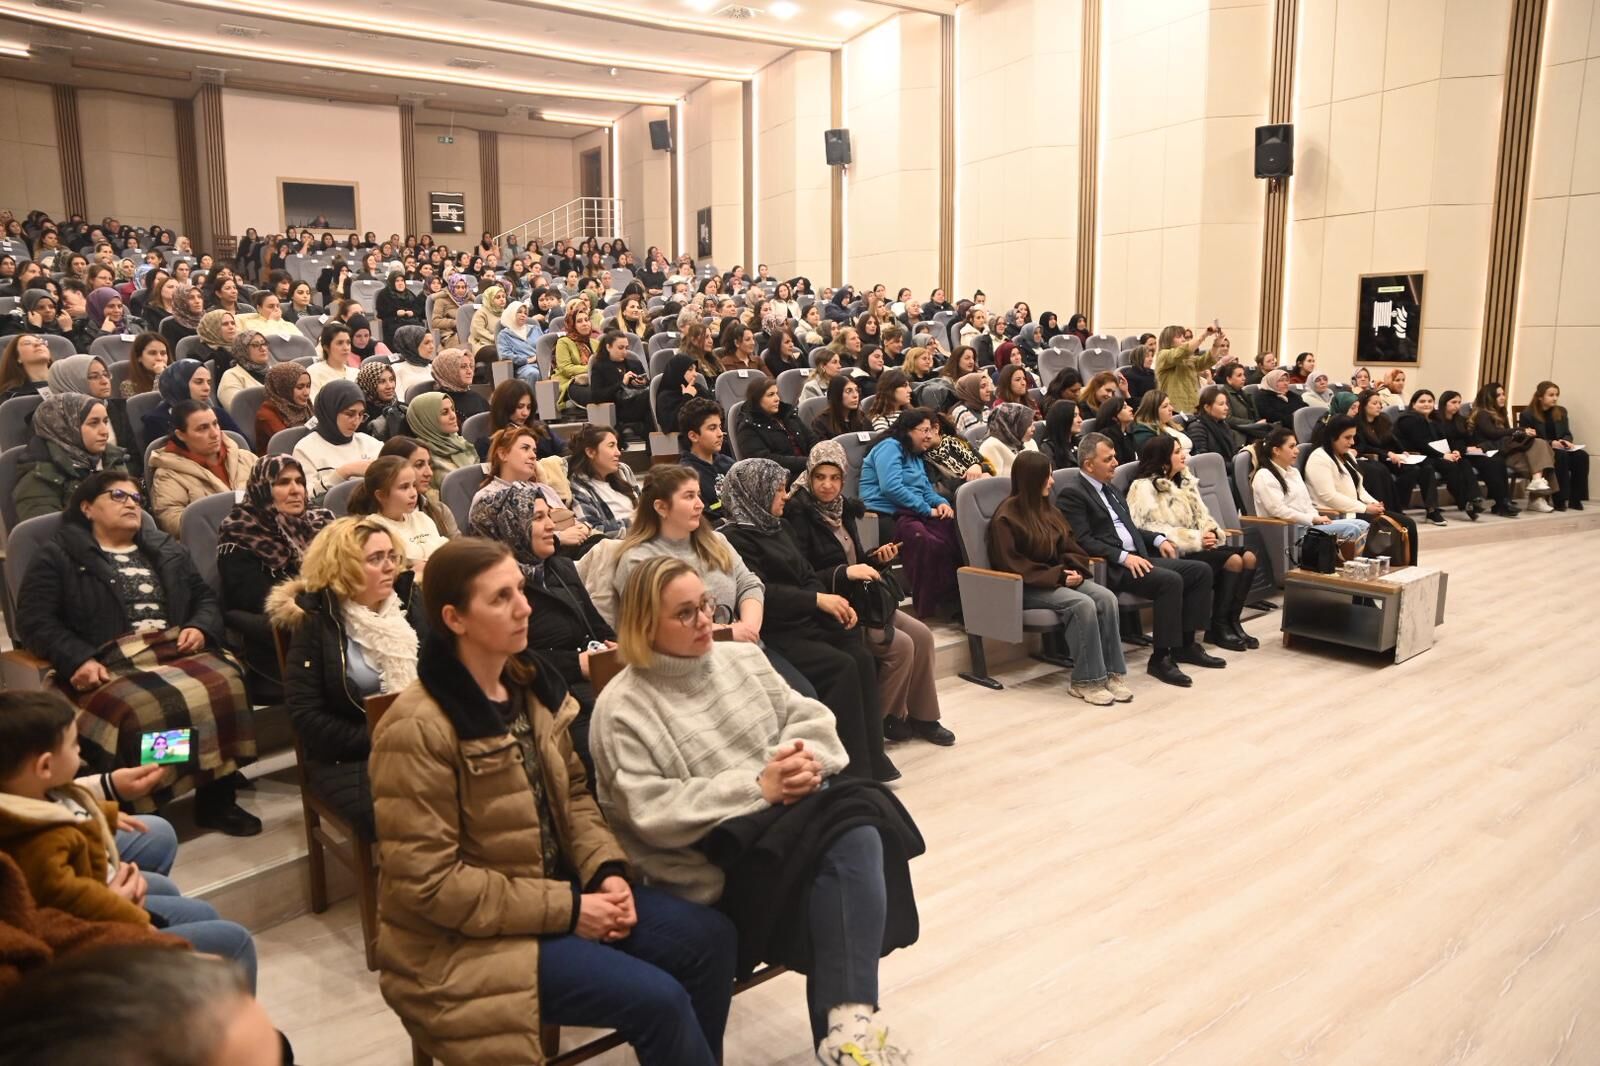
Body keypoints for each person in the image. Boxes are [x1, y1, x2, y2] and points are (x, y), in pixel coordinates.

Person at [370, 537, 738, 1065]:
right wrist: (569, 911)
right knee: (659, 1000)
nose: (525, 607)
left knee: (711, 939)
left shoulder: (530, 687)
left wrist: (605, 873)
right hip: (465, 939)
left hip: (557, 894)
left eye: (520, 590)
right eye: (501, 599)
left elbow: (577, 798)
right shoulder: (416, 728)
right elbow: (430, 886)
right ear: (454, 618)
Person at [591, 556, 921, 1065]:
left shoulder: (740, 659)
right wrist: (759, 787)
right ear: (642, 624)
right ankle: (850, 1025)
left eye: (705, 604)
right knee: (855, 820)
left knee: (853, 823)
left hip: (789, 826)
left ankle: (848, 1031)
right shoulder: (623, 707)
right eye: (685, 613)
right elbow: (650, 813)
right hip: (712, 858)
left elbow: (812, 718)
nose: (705, 620)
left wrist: (795, 764)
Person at [16, 471, 259, 833]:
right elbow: (34, 621)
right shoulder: (59, 556)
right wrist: (78, 659)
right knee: (145, 707)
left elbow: (204, 598)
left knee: (228, 679)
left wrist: (199, 626)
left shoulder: (163, 547)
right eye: (118, 496)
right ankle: (151, 796)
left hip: (172, 647)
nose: (131, 502)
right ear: (87, 507)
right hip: (108, 660)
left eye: (134, 497)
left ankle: (216, 798)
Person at [0, 692, 258, 987]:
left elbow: (70, 800)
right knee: (233, 941)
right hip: (93, 921)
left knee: (168, 868)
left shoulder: (32, 792)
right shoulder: (39, 840)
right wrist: (133, 919)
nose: (81, 751)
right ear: (44, 767)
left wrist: (107, 803)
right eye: (73, 745)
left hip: (100, 887)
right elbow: (70, 895)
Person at [718, 458, 898, 782]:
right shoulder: (735, 539)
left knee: (860, 655)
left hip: (807, 619)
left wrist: (830, 602)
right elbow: (764, 593)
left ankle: (871, 759)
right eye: (778, 490)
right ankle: (847, 771)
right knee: (839, 667)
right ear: (756, 494)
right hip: (777, 628)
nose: (786, 496)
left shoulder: (780, 527)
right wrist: (817, 600)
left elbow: (807, 575)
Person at [784, 441, 950, 745]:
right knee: (899, 645)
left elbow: (856, 560)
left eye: (834, 478)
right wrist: (845, 573)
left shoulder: (843, 510)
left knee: (923, 635)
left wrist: (875, 559)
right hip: (833, 606)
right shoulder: (797, 515)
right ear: (809, 476)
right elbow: (803, 577)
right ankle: (877, 723)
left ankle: (924, 717)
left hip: (863, 598)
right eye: (820, 477)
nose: (827, 485)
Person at [271, 516, 422, 839]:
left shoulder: (409, 605)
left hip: (424, 741)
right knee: (419, 803)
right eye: (374, 559)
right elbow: (306, 717)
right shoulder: (317, 624)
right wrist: (381, 737)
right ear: (342, 567)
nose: (389, 567)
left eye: (391, 556)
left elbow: (445, 676)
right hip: (351, 757)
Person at [465, 485, 614, 774]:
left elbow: (598, 627)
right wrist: (576, 665)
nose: (550, 526)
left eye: (549, 516)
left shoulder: (559, 566)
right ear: (508, 525)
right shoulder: (489, 589)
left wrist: (616, 648)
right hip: (546, 700)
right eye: (537, 518)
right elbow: (506, 661)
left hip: (596, 684)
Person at [1058, 433, 1222, 688]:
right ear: (1089, 464)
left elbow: (1130, 529)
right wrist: (1123, 557)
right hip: (1114, 566)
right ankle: (1160, 658)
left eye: (1114, 457)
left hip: (1139, 557)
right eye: (1108, 458)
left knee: (1200, 571)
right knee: (1170, 581)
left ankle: (1186, 644)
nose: (1116, 462)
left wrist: (1157, 539)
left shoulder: (1110, 489)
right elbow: (1083, 540)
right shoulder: (1073, 494)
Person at [986, 450, 1132, 705]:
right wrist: (1059, 576)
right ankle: (1086, 681)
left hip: (1058, 579)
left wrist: (1073, 570)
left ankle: (1112, 673)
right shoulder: (1006, 517)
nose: (1052, 482)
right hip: (1027, 586)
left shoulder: (1049, 510)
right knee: (1082, 604)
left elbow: (1071, 547)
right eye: (1047, 476)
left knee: (1106, 597)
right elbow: (1012, 565)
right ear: (1032, 479)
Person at [1126, 435, 1258, 652]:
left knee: (1250, 557)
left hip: (1199, 546)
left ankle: (1232, 621)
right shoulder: (1143, 487)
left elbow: (1202, 515)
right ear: (1162, 459)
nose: (1183, 456)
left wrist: (1211, 532)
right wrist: (1195, 539)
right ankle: (1218, 626)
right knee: (1234, 560)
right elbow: (1144, 528)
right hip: (1175, 551)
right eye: (1177, 452)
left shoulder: (1185, 480)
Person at [217, 455, 334, 696]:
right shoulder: (240, 532)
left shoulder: (321, 521)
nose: (295, 490)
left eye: (299, 481)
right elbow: (261, 603)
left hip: (334, 622)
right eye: (283, 483)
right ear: (262, 488)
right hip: (283, 641)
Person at [859, 409, 962, 617]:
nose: (929, 436)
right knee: (925, 540)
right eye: (924, 430)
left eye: (931, 430)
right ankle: (931, 604)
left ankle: (955, 600)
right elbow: (891, 487)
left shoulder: (915, 454)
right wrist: (927, 510)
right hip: (885, 513)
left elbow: (924, 489)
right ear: (907, 430)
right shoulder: (889, 447)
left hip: (912, 511)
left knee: (954, 532)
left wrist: (941, 503)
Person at [1305, 415, 1420, 565]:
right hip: (1337, 514)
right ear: (1333, 437)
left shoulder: (1346, 456)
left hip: (1356, 509)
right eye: (1347, 437)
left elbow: (1360, 489)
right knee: (1391, 528)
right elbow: (1328, 497)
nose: (1352, 442)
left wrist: (1374, 503)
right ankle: (1392, 569)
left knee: (1408, 523)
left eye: (1353, 437)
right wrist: (1365, 508)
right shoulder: (1319, 458)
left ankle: (1409, 567)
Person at [1248, 427, 1370, 556]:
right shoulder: (1264, 476)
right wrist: (1313, 518)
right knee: (1352, 529)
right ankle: (1351, 569)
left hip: (1309, 525)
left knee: (1363, 524)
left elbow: (1306, 503)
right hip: (1290, 530)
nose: (1297, 450)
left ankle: (1355, 564)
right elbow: (1278, 511)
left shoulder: (1293, 472)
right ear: (1276, 450)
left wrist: (1317, 518)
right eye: (1291, 446)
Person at [148, 400, 258, 537]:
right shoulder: (168, 474)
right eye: (202, 428)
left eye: (215, 424)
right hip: (214, 546)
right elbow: (174, 524)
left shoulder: (246, 458)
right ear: (181, 435)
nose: (214, 433)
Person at [13, 393, 129, 522]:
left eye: (105, 422)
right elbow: (49, 535)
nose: (104, 431)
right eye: (94, 423)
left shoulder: (112, 458)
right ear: (65, 428)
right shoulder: (39, 477)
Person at [1354, 388, 1443, 524]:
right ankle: (1397, 508)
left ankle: (1432, 510)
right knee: (1409, 472)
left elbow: (1393, 440)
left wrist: (1403, 451)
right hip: (1376, 459)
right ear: (1364, 405)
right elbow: (1365, 447)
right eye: (1374, 403)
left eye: (1380, 403)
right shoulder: (1357, 423)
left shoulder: (1383, 419)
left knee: (1425, 468)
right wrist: (1388, 454)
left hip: (1392, 456)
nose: (1379, 406)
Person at [1394, 390, 1485, 521]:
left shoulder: (1434, 419)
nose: (1427, 404)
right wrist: (1443, 455)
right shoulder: (1408, 419)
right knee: (1434, 467)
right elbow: (1421, 444)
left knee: (1462, 462)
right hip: (1415, 456)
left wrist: (1453, 451)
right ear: (1413, 404)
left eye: (1430, 401)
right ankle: (1435, 510)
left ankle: (1472, 500)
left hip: (1432, 454)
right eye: (1422, 401)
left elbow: (1446, 440)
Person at [1468, 381, 1557, 511]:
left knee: (1542, 452)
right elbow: (1493, 433)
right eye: (1498, 395)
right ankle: (1537, 498)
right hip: (1493, 452)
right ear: (1489, 397)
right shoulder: (1482, 414)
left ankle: (1538, 494)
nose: (1503, 397)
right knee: (1542, 461)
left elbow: (1507, 436)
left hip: (1507, 450)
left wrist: (1519, 432)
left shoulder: (1502, 413)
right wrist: (1520, 430)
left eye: (1503, 394)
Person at [347, 455, 450, 563]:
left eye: (414, 485)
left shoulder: (422, 518)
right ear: (381, 495)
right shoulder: (373, 529)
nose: (413, 494)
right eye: (404, 487)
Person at [1433, 390, 1518, 517]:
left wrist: (1473, 448)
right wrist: (1456, 451)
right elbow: (1438, 441)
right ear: (1444, 403)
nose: (1457, 406)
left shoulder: (1461, 420)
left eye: (1459, 402)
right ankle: (1474, 500)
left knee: (1496, 461)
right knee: (1464, 465)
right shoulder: (1435, 421)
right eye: (1453, 402)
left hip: (1464, 452)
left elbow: (1468, 440)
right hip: (1446, 454)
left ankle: (1502, 502)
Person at [293, 379, 380, 498]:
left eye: (361, 415)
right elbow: (306, 498)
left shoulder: (370, 443)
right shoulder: (305, 449)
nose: (356, 421)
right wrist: (343, 472)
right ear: (331, 412)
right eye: (350, 414)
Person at [1520, 380, 1587, 510]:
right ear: (1540, 397)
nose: (1555, 398)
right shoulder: (1527, 414)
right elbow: (1529, 438)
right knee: (1561, 456)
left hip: (1560, 447)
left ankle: (1576, 498)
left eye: (1557, 395)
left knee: (1581, 456)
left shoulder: (1561, 412)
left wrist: (1566, 441)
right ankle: (1560, 499)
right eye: (1551, 395)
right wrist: (1551, 443)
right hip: (1542, 451)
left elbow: (1567, 433)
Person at [737, 375, 815, 480]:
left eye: (777, 394)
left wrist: (820, 455)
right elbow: (766, 461)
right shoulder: (748, 427)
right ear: (757, 399)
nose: (777, 399)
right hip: (781, 479)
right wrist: (809, 461)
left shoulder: (787, 415)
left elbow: (811, 438)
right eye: (770, 395)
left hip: (809, 469)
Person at [569, 424, 640, 536]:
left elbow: (642, 505)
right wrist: (634, 522)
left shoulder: (623, 470)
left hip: (644, 536)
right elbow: (594, 530)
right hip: (620, 544)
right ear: (590, 452)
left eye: (617, 446)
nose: (618, 453)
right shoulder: (579, 487)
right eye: (611, 446)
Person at [678, 398, 735, 523]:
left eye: (720, 427)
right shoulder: (686, 474)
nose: (720, 433)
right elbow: (704, 519)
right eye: (712, 428)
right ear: (693, 436)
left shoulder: (729, 463)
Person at [590, 330, 654, 441]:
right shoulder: (599, 367)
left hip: (639, 402)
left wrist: (642, 382)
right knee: (650, 398)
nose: (624, 352)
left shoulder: (635, 364)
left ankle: (653, 449)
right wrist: (622, 383)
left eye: (626, 348)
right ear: (608, 347)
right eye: (620, 348)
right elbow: (597, 396)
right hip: (619, 408)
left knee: (651, 403)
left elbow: (647, 384)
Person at [1154, 323, 1222, 414]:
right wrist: (1205, 334)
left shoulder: (1188, 359)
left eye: (1183, 337)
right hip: (1173, 410)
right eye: (1179, 337)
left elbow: (1207, 361)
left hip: (1193, 408)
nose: (1183, 339)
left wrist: (1217, 344)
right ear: (1168, 340)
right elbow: (1183, 351)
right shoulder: (1163, 355)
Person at [254, 361, 312, 452]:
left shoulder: (306, 405)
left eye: (308, 386)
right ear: (284, 388)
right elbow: (287, 444)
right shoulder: (266, 414)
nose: (306, 393)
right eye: (300, 387)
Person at [555, 302, 600, 408]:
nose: (585, 323)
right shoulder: (563, 342)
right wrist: (590, 369)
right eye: (579, 321)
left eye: (586, 320)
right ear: (572, 325)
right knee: (598, 395)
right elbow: (566, 369)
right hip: (572, 382)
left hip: (594, 380)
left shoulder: (595, 343)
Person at [354, 357, 408, 442]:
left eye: (391, 380)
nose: (389, 386)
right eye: (381, 382)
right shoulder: (361, 414)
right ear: (369, 384)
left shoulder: (401, 408)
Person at [980, 401, 1039, 477]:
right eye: (1028, 425)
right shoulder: (991, 446)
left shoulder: (1030, 442)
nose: (1034, 428)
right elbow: (994, 483)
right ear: (1013, 425)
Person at [1186, 385, 1243, 464]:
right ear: (1207, 407)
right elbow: (1204, 461)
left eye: (1226, 404)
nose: (1226, 408)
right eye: (1221, 404)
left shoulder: (1223, 424)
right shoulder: (1197, 428)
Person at [1130, 389, 1195, 457]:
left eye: (1170, 404)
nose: (1171, 408)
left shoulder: (1173, 424)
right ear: (1153, 410)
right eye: (1165, 406)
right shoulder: (1143, 432)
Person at [1217, 363, 1271, 441]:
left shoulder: (1244, 393)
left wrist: (1257, 424)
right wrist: (1253, 424)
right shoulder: (1223, 394)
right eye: (1239, 375)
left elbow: (1255, 415)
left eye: (1244, 375)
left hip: (1251, 430)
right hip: (1239, 434)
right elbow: (1228, 418)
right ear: (1229, 379)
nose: (1244, 378)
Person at [308, 321, 360, 399]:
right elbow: (314, 404)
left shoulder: (356, 373)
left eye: (348, 343)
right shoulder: (314, 372)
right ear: (326, 347)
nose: (346, 348)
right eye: (340, 343)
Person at [812, 374, 871, 440]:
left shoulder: (862, 418)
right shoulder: (821, 423)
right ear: (837, 395)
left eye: (857, 390)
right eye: (849, 391)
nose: (855, 395)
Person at [0, 333, 52, 403]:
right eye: (27, 343)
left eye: (41, 342)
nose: (38, 344)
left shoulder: (67, 383)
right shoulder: (10, 396)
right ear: (18, 358)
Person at [387, 324, 436, 396]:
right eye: (426, 343)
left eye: (432, 342)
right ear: (412, 345)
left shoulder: (433, 368)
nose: (432, 346)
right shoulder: (396, 369)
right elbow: (399, 400)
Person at [429, 272, 472, 348]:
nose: (461, 290)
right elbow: (435, 322)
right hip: (450, 334)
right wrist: (455, 323)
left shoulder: (470, 301)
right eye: (457, 287)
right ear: (452, 287)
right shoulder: (441, 300)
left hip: (470, 332)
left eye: (463, 287)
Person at [375, 270, 419, 342]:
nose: (400, 283)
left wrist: (413, 312)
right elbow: (381, 312)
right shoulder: (384, 294)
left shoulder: (409, 294)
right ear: (392, 282)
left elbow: (417, 308)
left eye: (402, 281)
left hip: (410, 321)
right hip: (392, 321)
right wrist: (395, 313)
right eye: (397, 281)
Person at [1039, 399, 1082, 468]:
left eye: (1079, 415)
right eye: (1074, 416)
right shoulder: (1048, 448)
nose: (1080, 420)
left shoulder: (1081, 442)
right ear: (1062, 418)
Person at [1095, 395, 1137, 464]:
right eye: (1124, 407)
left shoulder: (1126, 433)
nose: (1131, 408)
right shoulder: (1108, 435)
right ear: (1113, 415)